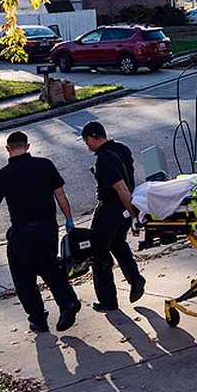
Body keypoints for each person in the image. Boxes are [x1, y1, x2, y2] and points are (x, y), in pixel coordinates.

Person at [0, 130, 80, 333]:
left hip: (22, 232)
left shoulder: (3, 176)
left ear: (8, 149)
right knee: (49, 267)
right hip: (48, 227)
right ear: (27, 146)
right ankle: (68, 301)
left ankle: (38, 319)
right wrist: (69, 219)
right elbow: (60, 194)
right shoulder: (45, 165)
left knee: (23, 276)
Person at [80, 120, 146, 312]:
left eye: (87, 142)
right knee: (117, 243)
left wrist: (134, 216)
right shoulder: (121, 148)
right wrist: (130, 212)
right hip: (126, 208)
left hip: (111, 210)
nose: (87, 146)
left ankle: (108, 300)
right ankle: (134, 278)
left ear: (92, 138)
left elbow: (121, 188)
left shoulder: (104, 161)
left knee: (98, 252)